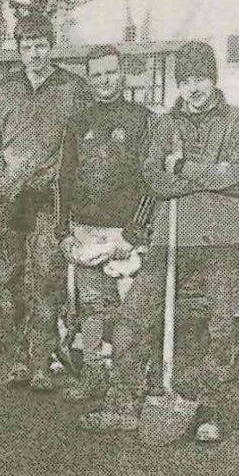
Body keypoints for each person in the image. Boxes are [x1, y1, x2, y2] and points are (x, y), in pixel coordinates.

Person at [103, 41, 239, 441]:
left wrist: (183, 167)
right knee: (135, 314)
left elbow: (237, 177)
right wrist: (206, 177)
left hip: (225, 237)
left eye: (200, 78)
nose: (193, 88)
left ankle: (208, 404)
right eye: (185, 80)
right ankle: (125, 401)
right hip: (174, 234)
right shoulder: (164, 124)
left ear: (214, 78)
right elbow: (153, 176)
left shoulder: (238, 122)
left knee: (222, 324)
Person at [0, 12, 91, 393]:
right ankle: (17, 360)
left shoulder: (73, 88)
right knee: (10, 279)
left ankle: (41, 363)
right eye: (27, 48)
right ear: (19, 50)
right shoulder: (3, 89)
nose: (34, 55)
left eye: (40, 46)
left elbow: (85, 140)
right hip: (9, 198)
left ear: (51, 46)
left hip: (50, 198)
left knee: (46, 279)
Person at [53, 45, 153, 410]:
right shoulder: (78, 123)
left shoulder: (143, 120)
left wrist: (135, 231)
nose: (104, 80)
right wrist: (63, 232)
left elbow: (151, 181)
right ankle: (94, 374)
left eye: (110, 72)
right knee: (93, 308)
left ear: (122, 73)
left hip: (126, 235)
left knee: (132, 312)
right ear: (89, 79)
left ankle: (132, 381)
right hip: (86, 231)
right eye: (96, 75)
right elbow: (64, 180)